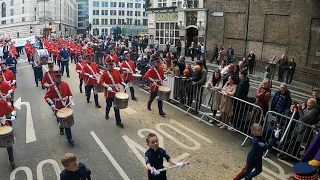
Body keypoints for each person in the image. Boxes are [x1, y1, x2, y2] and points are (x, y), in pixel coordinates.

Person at [44, 70, 75, 145]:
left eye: (59, 76)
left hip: (66, 106)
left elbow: (69, 94)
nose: (58, 78)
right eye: (57, 77)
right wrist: (52, 104)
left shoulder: (65, 84)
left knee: (67, 124)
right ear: (54, 77)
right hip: (57, 107)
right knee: (59, 120)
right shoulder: (51, 88)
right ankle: (61, 128)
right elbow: (46, 97)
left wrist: (70, 99)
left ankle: (69, 138)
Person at [99, 57, 128, 127]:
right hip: (109, 93)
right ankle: (106, 113)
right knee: (109, 105)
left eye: (112, 64)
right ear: (107, 65)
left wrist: (124, 84)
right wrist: (106, 86)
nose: (111, 66)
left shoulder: (117, 71)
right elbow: (100, 81)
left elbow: (120, 80)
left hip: (116, 93)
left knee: (116, 108)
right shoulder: (104, 73)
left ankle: (118, 122)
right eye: (110, 65)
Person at [0, 100, 17, 167]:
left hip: (4, 126)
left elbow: (12, 110)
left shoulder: (3, 103)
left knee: (9, 144)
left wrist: (13, 115)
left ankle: (11, 160)